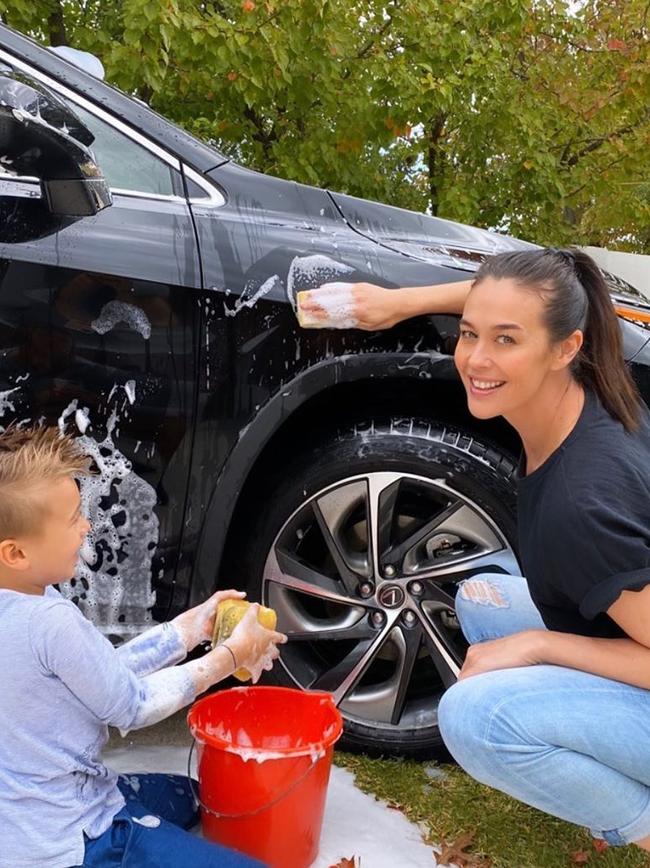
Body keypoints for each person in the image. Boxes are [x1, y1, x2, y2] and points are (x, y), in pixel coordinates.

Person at [302, 248, 650, 853]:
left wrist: (540, 644)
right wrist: (399, 304)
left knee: (476, 717)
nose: (477, 360)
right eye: (469, 334)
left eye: (506, 342)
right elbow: (507, 300)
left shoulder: (582, 503)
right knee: (484, 600)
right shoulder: (590, 391)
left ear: (566, 346)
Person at [0, 425, 287, 868]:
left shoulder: (27, 597)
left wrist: (189, 629)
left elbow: (100, 676)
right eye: (74, 517)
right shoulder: (49, 621)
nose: (87, 526)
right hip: (74, 840)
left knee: (195, 795)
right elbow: (130, 707)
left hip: (21, 824)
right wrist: (230, 657)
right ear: (15, 553)